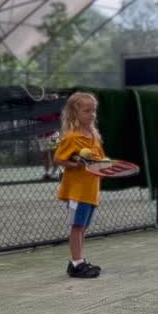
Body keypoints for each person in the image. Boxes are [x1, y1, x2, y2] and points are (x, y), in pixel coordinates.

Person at [54, 92, 106, 279]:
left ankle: (78, 261)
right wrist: (75, 164)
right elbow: (59, 158)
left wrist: (104, 166)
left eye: (93, 111)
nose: (91, 114)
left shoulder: (93, 134)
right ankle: (77, 263)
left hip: (91, 190)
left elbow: (98, 159)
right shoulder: (72, 137)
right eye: (87, 111)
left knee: (83, 227)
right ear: (75, 113)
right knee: (77, 227)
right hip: (77, 191)